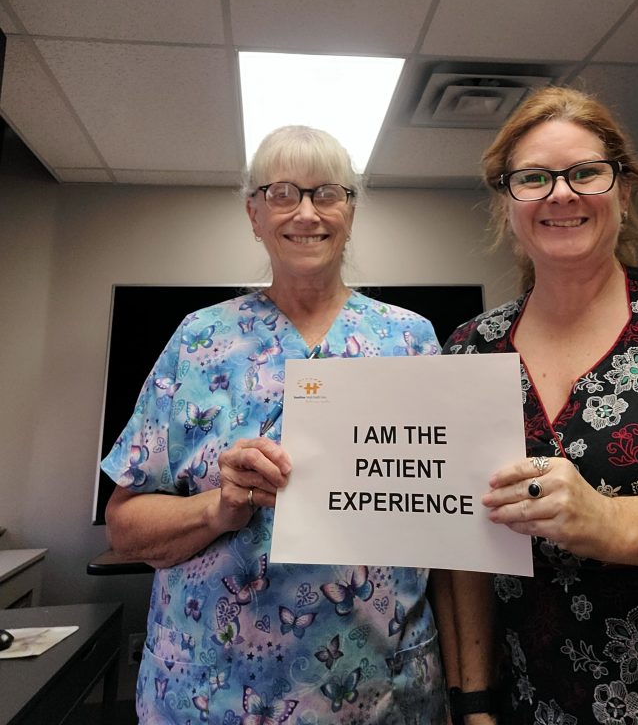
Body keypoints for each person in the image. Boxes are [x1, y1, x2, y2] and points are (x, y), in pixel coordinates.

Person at [441, 86, 638, 725]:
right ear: (506, 201)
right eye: (532, 178)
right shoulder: (470, 349)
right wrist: (474, 700)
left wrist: (613, 523)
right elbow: (466, 543)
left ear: (621, 186)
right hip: (537, 703)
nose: (560, 194)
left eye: (586, 172)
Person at [102, 125, 449, 725]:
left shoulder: (409, 340)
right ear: (254, 213)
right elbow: (125, 526)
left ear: (351, 210)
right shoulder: (199, 340)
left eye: (327, 193)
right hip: (209, 694)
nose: (307, 213)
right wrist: (217, 508)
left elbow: (447, 514)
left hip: (377, 692)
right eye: (283, 193)